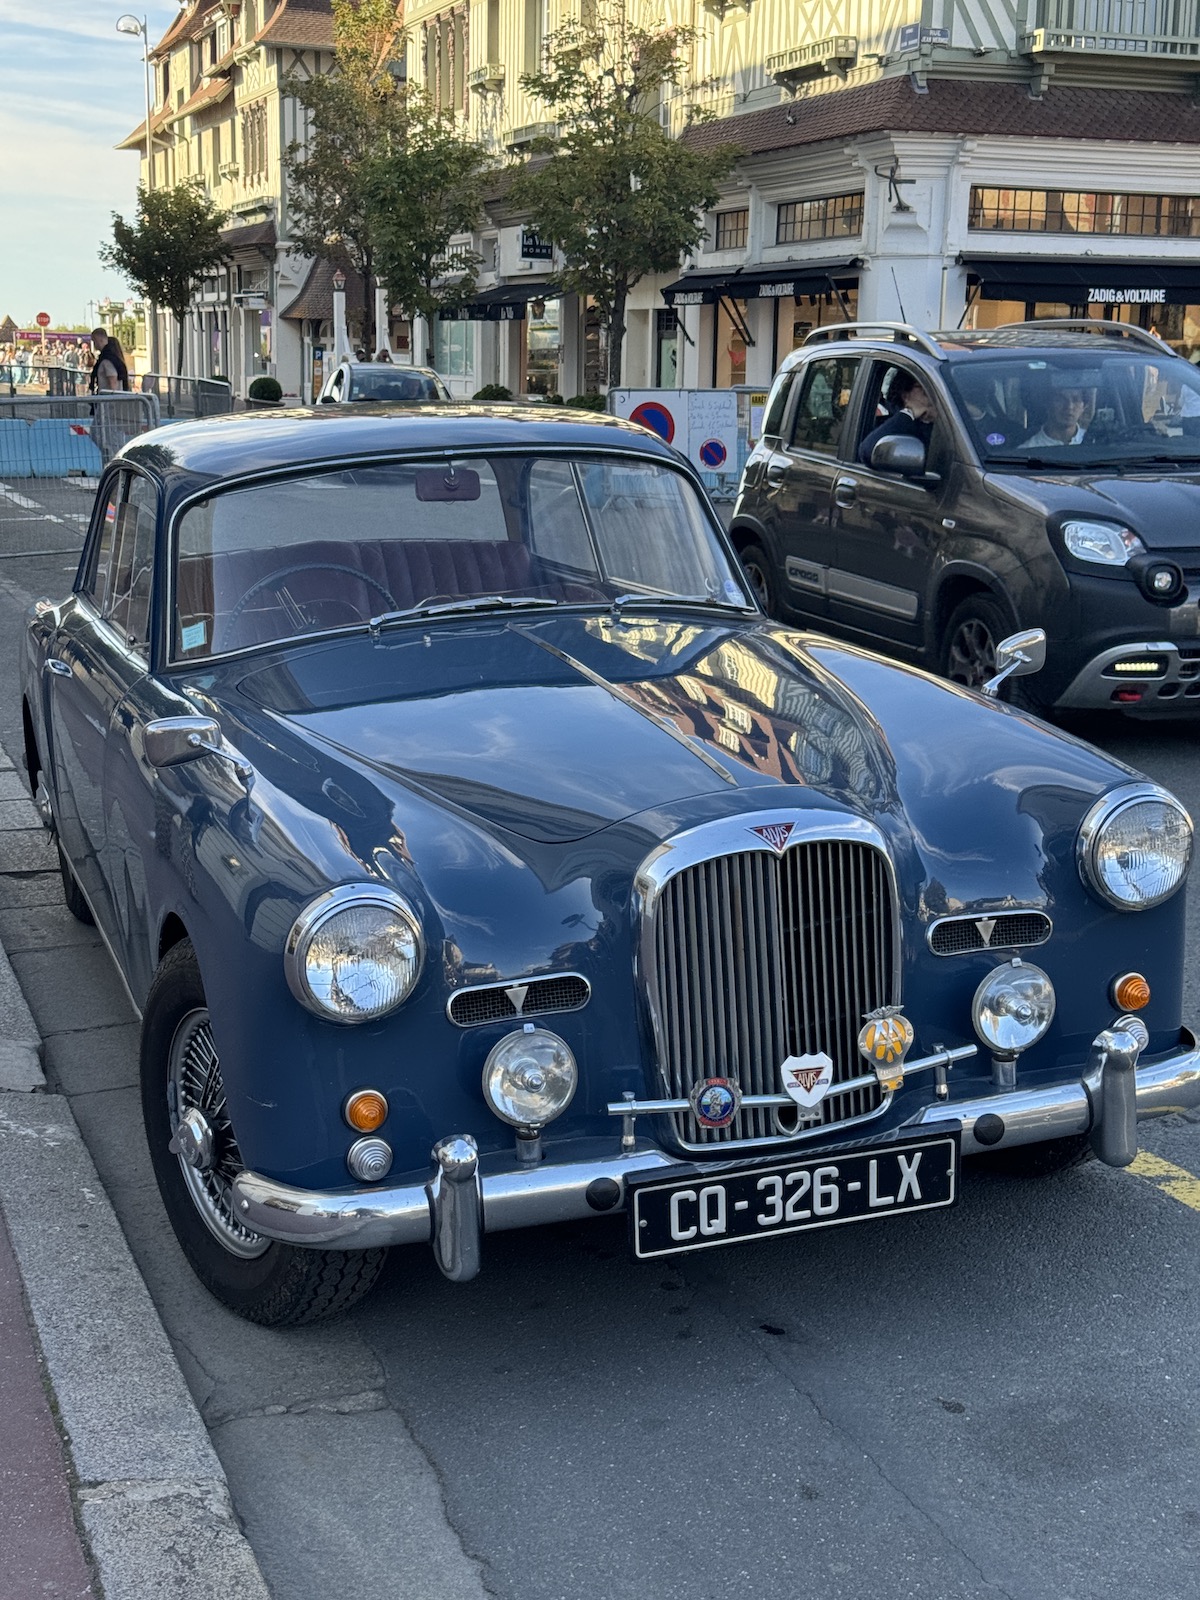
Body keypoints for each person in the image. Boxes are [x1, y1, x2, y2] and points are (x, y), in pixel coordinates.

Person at [858, 369, 935, 466]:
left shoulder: (953, 423)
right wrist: (908, 413)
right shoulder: (897, 426)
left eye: (934, 388)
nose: (930, 394)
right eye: (923, 388)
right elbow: (867, 451)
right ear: (905, 395)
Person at [1020, 385, 1088, 448]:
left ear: (1084, 407)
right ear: (1048, 404)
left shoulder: (1094, 443)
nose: (1069, 407)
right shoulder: (1028, 450)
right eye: (1061, 399)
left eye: (1076, 400)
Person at [87, 328, 130, 393]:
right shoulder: (112, 358)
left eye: (94, 341)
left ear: (99, 340)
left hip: (108, 400)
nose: (94, 345)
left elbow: (113, 381)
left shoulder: (107, 360)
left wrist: (112, 398)